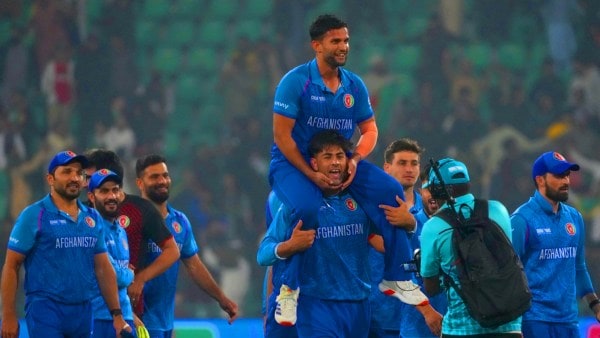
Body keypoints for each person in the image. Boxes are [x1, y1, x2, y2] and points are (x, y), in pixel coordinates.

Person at [269, 13, 425, 324]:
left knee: (391, 191)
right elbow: (281, 136)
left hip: (341, 163)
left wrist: (354, 160)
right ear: (317, 45)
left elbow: (370, 130)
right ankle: (289, 290)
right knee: (308, 207)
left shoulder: (354, 84)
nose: (344, 46)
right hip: (294, 165)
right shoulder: (296, 82)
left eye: (346, 40)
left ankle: (395, 277)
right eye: (336, 41)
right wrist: (311, 174)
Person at [258, 130, 379, 337]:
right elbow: (263, 254)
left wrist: (408, 224)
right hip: (315, 306)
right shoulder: (295, 204)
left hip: (358, 305)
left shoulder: (362, 201)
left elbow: (381, 242)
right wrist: (289, 246)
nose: (335, 163)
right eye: (327, 157)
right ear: (314, 164)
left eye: (340, 157)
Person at [0, 150, 131, 337]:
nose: (74, 177)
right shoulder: (34, 215)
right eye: (67, 171)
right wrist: (8, 315)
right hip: (45, 309)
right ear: (50, 179)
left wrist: (117, 315)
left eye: (79, 173)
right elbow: (12, 265)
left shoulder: (92, 217)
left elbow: (103, 268)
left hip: (83, 310)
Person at [134, 154, 239, 337]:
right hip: (138, 320)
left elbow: (194, 265)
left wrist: (221, 299)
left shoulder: (180, 222)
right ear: (140, 183)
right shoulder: (129, 221)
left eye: (165, 175)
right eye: (154, 177)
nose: (162, 181)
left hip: (165, 321)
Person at [419, 157, 522, 337]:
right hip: (509, 325)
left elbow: (432, 288)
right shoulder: (499, 210)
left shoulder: (433, 227)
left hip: (462, 329)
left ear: (437, 189)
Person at [511, 151, 600, 337]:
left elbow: (579, 267)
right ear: (540, 180)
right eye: (559, 176)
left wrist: (594, 304)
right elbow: (508, 273)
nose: (566, 181)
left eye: (567, 175)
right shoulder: (521, 220)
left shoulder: (574, 217)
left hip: (568, 319)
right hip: (534, 319)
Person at [84, 149, 180, 317]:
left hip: (129, 310)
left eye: (89, 178)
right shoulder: (81, 214)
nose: (85, 183)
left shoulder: (140, 209)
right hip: (90, 310)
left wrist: (140, 278)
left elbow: (172, 250)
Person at [368, 139, 443, 338]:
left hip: (419, 319)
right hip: (378, 314)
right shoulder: (370, 208)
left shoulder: (432, 210)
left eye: (414, 163)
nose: (409, 169)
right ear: (387, 167)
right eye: (402, 163)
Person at [87, 168, 145, 337]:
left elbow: (119, 277)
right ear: (91, 196)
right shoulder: (91, 229)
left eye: (115, 190)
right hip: (98, 317)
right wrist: (130, 274)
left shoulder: (121, 231)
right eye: (104, 191)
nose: (111, 196)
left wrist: (132, 317)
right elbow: (113, 275)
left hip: (124, 316)